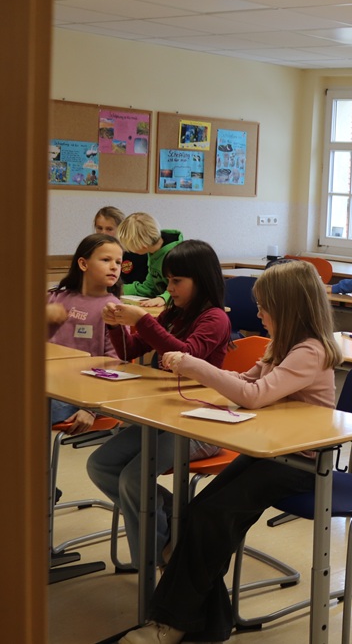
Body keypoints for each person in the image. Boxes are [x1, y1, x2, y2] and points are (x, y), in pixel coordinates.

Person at [117, 259, 342, 644]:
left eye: (264, 307)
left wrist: (194, 365)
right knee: (197, 514)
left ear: (287, 308)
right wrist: (198, 371)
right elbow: (244, 379)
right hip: (270, 451)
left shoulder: (311, 350)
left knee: (211, 517)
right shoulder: (283, 346)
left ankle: (172, 623)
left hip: (300, 463)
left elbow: (253, 396)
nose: (258, 314)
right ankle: (211, 622)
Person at [87, 240, 231, 571]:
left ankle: (158, 563)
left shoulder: (215, 319)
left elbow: (185, 355)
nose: (170, 288)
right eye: (167, 281)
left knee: (133, 480)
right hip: (163, 417)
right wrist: (116, 325)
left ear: (201, 280)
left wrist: (143, 320)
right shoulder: (173, 314)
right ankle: (179, 518)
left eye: (176, 281)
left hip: (201, 424)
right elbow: (130, 349)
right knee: (101, 465)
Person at [46, 233, 123, 435]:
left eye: (118, 262)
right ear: (83, 264)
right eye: (106, 260)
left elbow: (115, 365)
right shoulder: (56, 298)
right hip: (47, 384)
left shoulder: (113, 309)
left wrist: (91, 408)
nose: (114, 267)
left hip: (78, 395)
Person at [118, 212, 184, 307]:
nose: (130, 251)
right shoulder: (153, 252)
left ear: (142, 246)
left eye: (130, 247)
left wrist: (164, 298)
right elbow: (150, 287)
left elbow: (183, 286)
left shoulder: (177, 255)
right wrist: (119, 289)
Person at [94, 206, 147, 285]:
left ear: (121, 230)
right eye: (99, 228)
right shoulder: (91, 253)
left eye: (109, 229)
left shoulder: (138, 253)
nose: (103, 233)